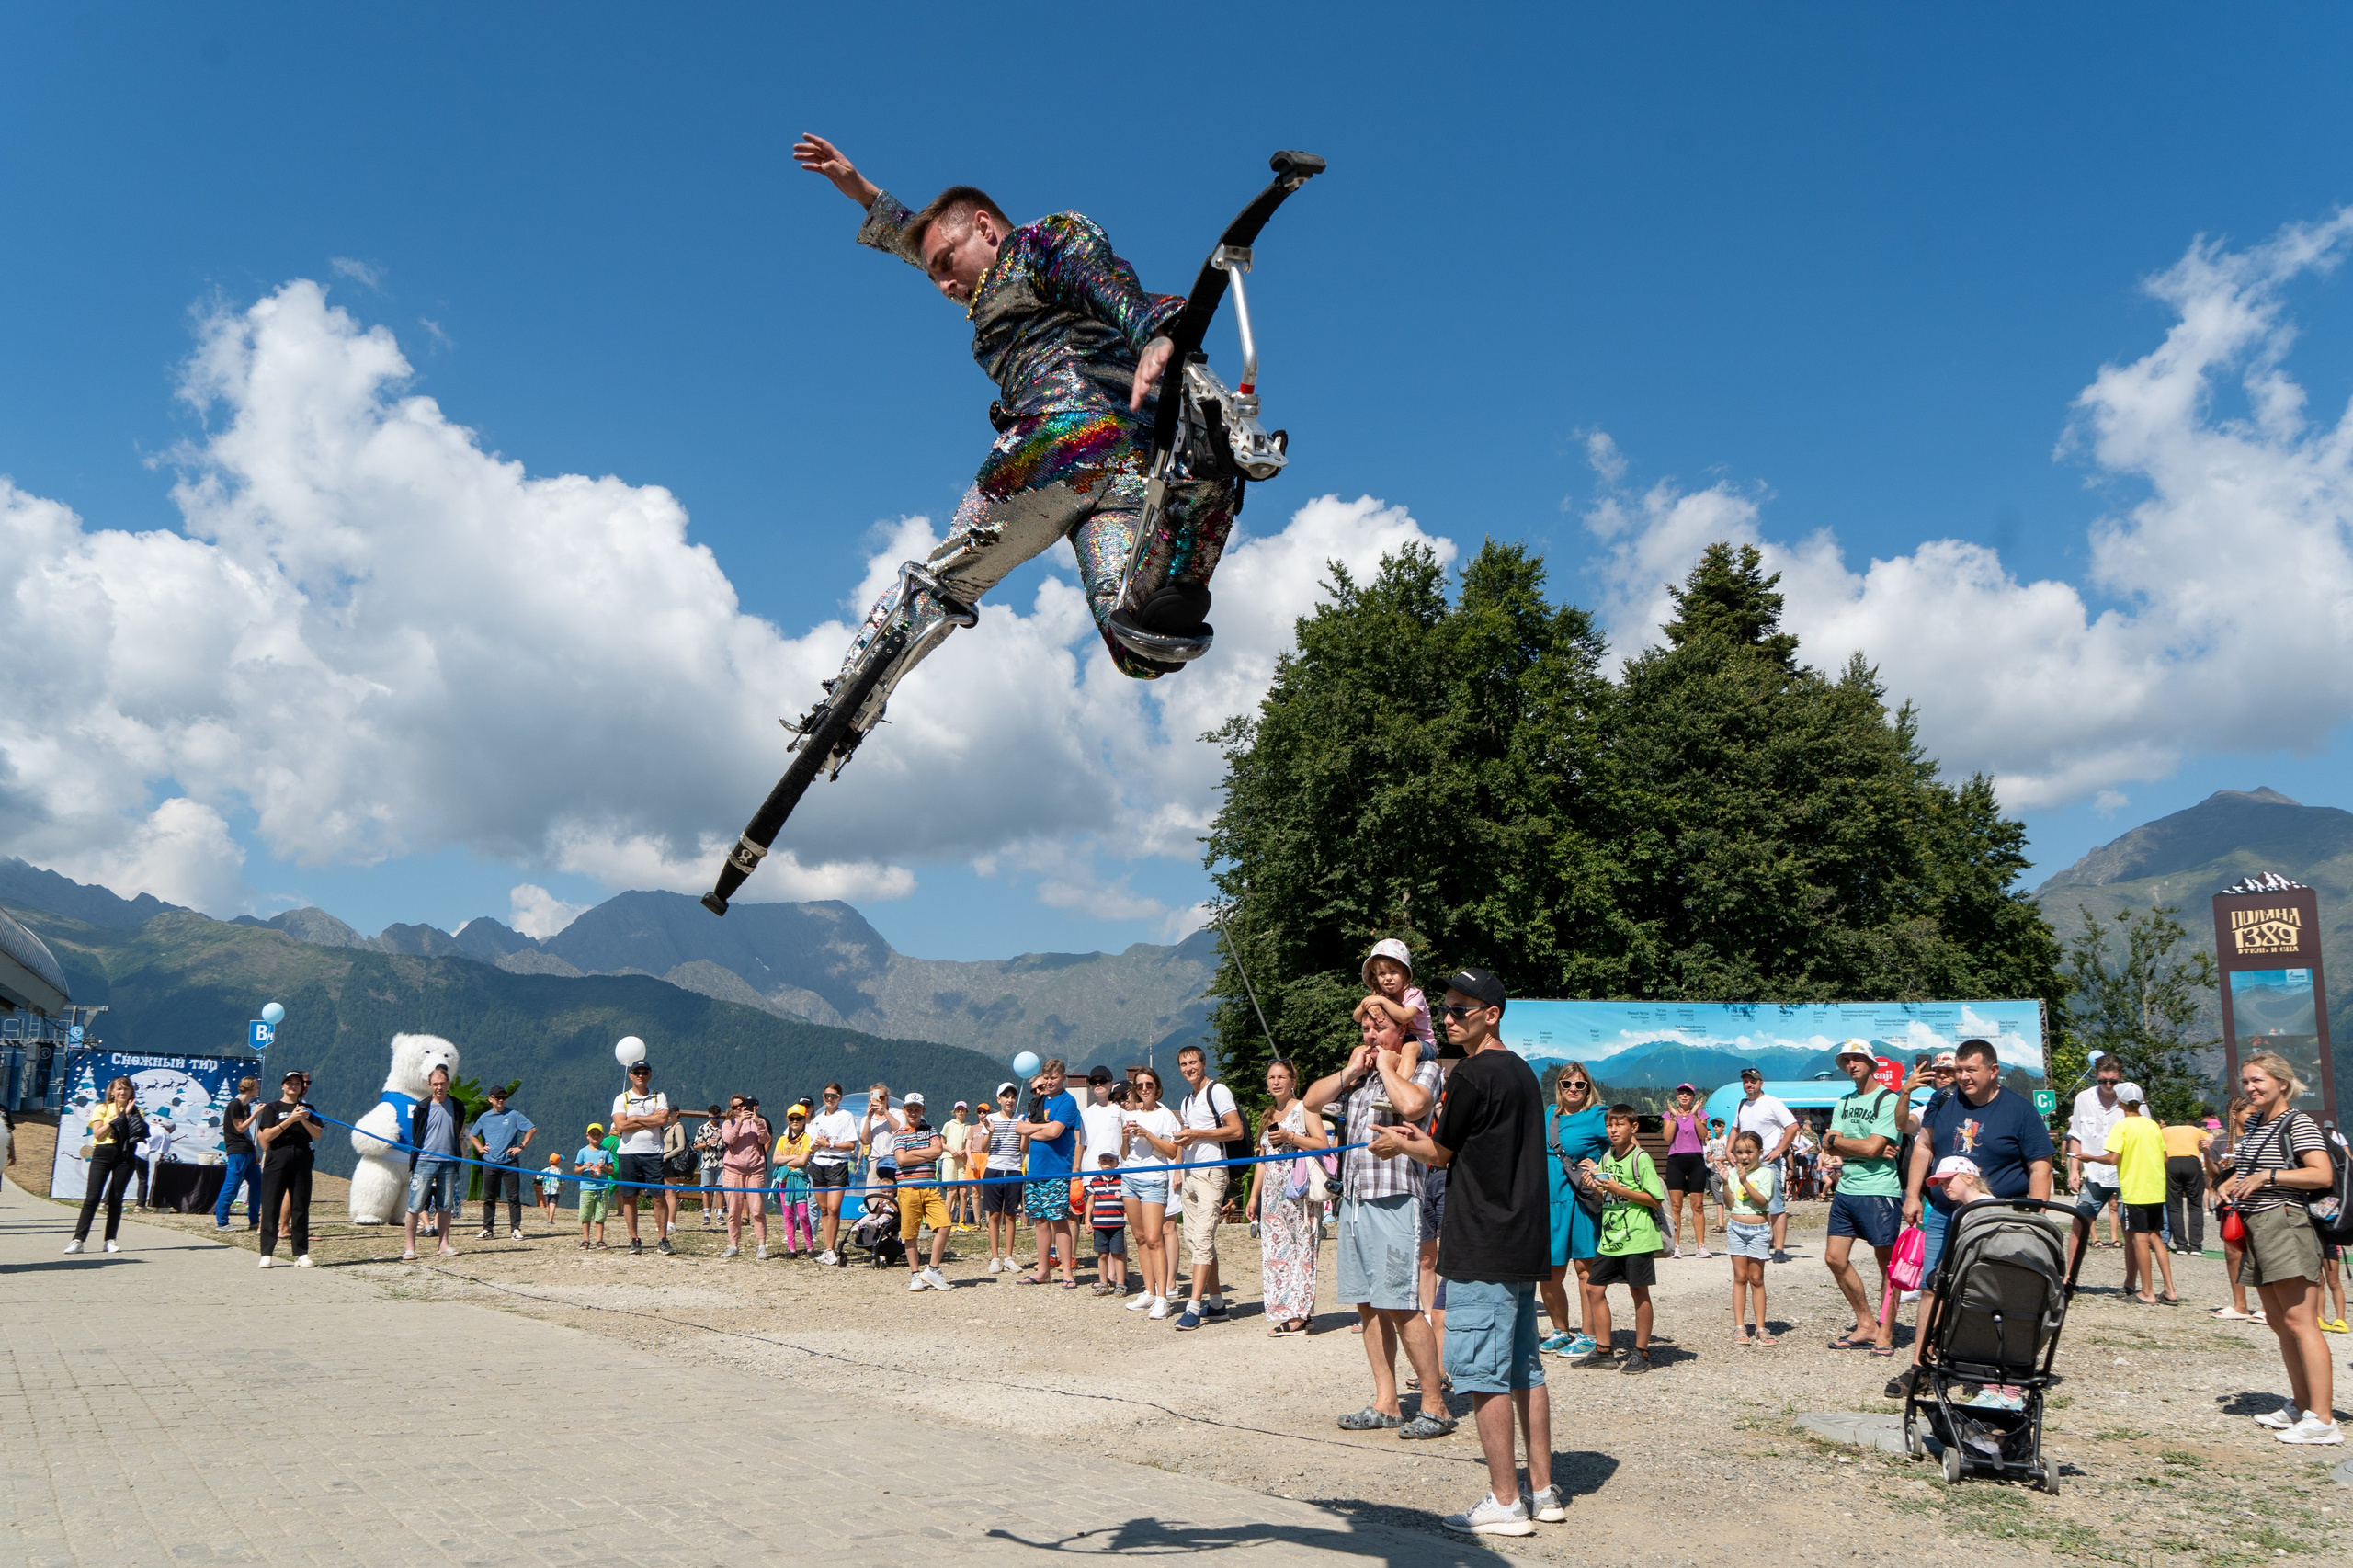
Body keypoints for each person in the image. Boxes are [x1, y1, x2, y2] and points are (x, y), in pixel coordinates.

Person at [790, 132, 1233, 701]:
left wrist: (1152, 333)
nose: (947, 285)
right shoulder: (995, 270)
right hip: (1135, 460)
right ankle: (1200, 500)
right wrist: (865, 194)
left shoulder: (1037, 245)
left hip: (1062, 435)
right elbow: (930, 243)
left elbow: (1095, 280)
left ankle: (838, 709)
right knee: (1137, 636)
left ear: (985, 227)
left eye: (948, 264)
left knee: (944, 579)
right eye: (935, 278)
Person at [1372, 969, 1557, 1537]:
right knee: (1525, 1365)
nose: (1447, 1018)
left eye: (1460, 1009)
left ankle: (1506, 1502)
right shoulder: (1523, 1072)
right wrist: (1419, 1142)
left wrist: (1396, 1142)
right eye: (1446, 1008)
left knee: (1483, 1375)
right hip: (1523, 1240)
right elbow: (1469, 1148)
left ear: (1491, 1014)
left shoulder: (1474, 1075)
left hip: (1483, 1242)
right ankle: (1543, 1491)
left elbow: (1441, 1151)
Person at [1307, 1007, 1449, 1432]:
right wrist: (1351, 1069)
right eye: (1365, 1029)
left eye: (1379, 1028)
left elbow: (1412, 1105)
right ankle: (1386, 1403)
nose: (1370, 1036)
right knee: (1367, 1305)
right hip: (1352, 1199)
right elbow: (1311, 1102)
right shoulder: (1360, 1074)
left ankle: (1435, 1405)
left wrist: (1388, 1066)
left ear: (1402, 1030)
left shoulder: (1422, 1068)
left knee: (1401, 1305)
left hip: (1395, 1198)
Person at [1890, 1036, 2053, 1399]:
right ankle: (1921, 1365)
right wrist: (1914, 1194)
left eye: (1971, 1070)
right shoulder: (1943, 1100)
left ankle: (1991, 1369)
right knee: (1933, 1286)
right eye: (1959, 1070)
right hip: (1946, 1214)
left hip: (1998, 1221)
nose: (1962, 1077)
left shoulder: (2020, 1111)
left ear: (1994, 1071)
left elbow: (2040, 1165)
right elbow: (1924, 1146)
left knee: (1990, 1292)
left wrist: (2037, 1218)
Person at [2214, 1051, 2337, 1444]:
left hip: (2285, 1223)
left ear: (2283, 1083)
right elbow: (2248, 1172)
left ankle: (2324, 1419)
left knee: (2302, 1322)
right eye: (2247, 1082)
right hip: (2256, 1226)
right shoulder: (2256, 1123)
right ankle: (2302, 1405)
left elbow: (2321, 1173)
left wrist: (2268, 1175)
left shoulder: (2297, 1122)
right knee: (2278, 1321)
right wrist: (2229, 1182)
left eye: (2258, 1081)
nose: (2251, 1088)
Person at [1822, 1041, 1902, 1354]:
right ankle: (1866, 1323)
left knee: (1887, 1266)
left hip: (1879, 1189)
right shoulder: (1844, 1101)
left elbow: (1869, 1148)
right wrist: (1837, 1141)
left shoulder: (1888, 1099)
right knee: (1834, 1258)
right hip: (1847, 1188)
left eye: (1858, 1059)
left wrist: (1842, 1142)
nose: (1852, 1064)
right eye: (1847, 1060)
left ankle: (1886, 1331)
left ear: (1871, 1063)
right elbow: (1829, 1144)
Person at [1575, 1103, 1665, 1374]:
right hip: (1611, 1236)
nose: (1613, 1130)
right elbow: (1608, 1197)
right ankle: (1604, 1350)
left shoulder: (1641, 1158)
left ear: (1633, 1127)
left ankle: (1642, 1351)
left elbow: (1655, 1199)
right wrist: (1598, 1188)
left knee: (1639, 1291)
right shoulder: (1607, 1158)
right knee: (1593, 1288)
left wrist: (1618, 1188)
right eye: (1609, 1125)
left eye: (1620, 1125)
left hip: (1637, 1236)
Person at [1172, 1043, 1245, 1330]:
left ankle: (1193, 1307)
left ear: (1203, 1063)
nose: (1188, 1068)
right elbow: (1189, 1138)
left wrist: (1197, 1133)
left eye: (1192, 1063)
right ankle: (1216, 1303)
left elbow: (1235, 1129)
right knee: (1195, 1240)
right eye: (1183, 1064)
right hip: (1190, 1174)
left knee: (1202, 1239)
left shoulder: (1218, 1091)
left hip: (1213, 1171)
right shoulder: (1188, 1100)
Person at [1249, 1057, 1324, 1334]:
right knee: (1277, 1254)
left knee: (1303, 1249)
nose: (1276, 1082)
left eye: (1282, 1077)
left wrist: (1291, 1137)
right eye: (1272, 1078)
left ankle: (1300, 1313)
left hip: (1299, 1192)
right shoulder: (1268, 1114)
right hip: (1272, 1196)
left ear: (1293, 1082)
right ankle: (1285, 1309)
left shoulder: (1306, 1108)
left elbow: (1321, 1144)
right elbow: (1262, 1159)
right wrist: (1254, 1197)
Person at [2083, 1085, 2175, 1305]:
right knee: (2156, 1237)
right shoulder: (2153, 1126)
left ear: (2120, 1102)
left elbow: (2113, 1158)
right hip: (2156, 1189)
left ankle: (2147, 1291)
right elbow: (2165, 1159)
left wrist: (2091, 1158)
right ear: (2140, 1101)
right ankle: (2170, 1290)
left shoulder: (2122, 1127)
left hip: (2136, 1190)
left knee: (2140, 1239)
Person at [1541, 1065, 1607, 1358]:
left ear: (1588, 1088)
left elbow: (1624, 1143)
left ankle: (1590, 1334)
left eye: (1580, 1085)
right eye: (1567, 1083)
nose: (1573, 1089)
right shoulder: (1550, 1114)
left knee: (1584, 1269)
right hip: (1549, 1199)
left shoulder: (1597, 1115)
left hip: (1581, 1199)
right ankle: (1560, 1330)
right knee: (1549, 1270)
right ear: (1558, 1085)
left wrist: (1601, 1167)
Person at [1120, 1066, 1182, 1314]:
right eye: (1139, 1086)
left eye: (1149, 1085)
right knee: (1140, 1238)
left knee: (1156, 1239)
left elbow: (1172, 1151)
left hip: (1154, 1179)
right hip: (1130, 1179)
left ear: (1157, 1087)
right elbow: (1123, 1154)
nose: (1144, 1089)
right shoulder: (1128, 1115)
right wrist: (1124, 1137)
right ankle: (1149, 1291)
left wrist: (1147, 1134)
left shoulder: (1165, 1115)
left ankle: (1163, 1297)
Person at [1016, 1061, 1081, 1288]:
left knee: (1059, 1220)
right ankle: (1043, 1271)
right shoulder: (1037, 1101)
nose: (1050, 1081)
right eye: (1047, 1077)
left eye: (1054, 1077)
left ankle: (1067, 1273)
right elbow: (1019, 1128)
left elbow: (1055, 1132)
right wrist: (1042, 1129)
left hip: (1056, 1170)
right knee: (1040, 1220)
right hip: (1035, 1170)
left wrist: (1036, 1129)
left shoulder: (1068, 1102)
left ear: (1063, 1077)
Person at [251, 1070, 321, 1268]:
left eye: (297, 1083)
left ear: (302, 1087)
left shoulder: (309, 1108)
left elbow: (317, 1134)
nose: (293, 1086)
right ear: (282, 1085)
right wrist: (290, 1120)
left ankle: (301, 1253)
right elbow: (266, 1136)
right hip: (277, 1157)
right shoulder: (272, 1108)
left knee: (300, 1206)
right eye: (289, 1083)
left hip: (301, 1158)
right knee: (271, 1203)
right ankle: (266, 1253)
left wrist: (304, 1119)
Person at [67, 1076, 144, 1254]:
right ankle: (78, 1240)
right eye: (118, 1089)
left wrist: (128, 1115)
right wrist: (117, 1118)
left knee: (116, 1198)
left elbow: (136, 1133)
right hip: (103, 1153)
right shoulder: (101, 1108)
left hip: (125, 1155)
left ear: (131, 1091)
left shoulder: (137, 1111)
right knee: (92, 1197)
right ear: (111, 1092)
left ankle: (110, 1240)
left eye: (126, 1089)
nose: (122, 1092)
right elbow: (98, 1134)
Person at [611, 1058, 680, 1257]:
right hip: (628, 1153)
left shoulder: (659, 1096)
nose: (641, 1076)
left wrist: (634, 1119)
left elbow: (662, 1119)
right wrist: (650, 1121)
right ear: (631, 1075)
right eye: (637, 1072)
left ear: (650, 1075)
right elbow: (621, 1126)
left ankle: (663, 1239)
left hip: (653, 1152)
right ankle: (634, 1239)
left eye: (645, 1072)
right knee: (629, 1197)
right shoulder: (621, 1098)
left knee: (659, 1197)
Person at [2066, 1054, 2130, 1266]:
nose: (2108, 1085)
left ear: (2121, 1077)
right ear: (2096, 1076)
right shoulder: (2083, 1099)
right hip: (2094, 1174)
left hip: (2125, 1174)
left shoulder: (2130, 1098)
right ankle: (2069, 1278)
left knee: (2130, 1229)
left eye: (2113, 1081)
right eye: (2103, 1081)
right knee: (2080, 1222)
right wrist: (2074, 1170)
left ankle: (2132, 1283)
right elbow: (2076, 1134)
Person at [1732, 1068, 1799, 1261]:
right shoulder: (1742, 1104)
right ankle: (1756, 1242)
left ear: (1761, 1083)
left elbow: (1792, 1126)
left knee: (1775, 1204)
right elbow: (1735, 1129)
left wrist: (1779, 1150)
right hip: (1746, 1161)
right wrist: (1730, 1150)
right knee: (1748, 1202)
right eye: (1745, 1081)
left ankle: (1779, 1249)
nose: (1749, 1084)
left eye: (1753, 1081)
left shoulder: (1772, 1102)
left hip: (1768, 1160)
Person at [402, 1065, 465, 1261]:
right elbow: (417, 1133)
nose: (439, 1087)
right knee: (415, 1204)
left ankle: (443, 1244)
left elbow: (459, 1130)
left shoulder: (457, 1105)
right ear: (430, 1085)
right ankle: (410, 1248)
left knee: (445, 1206)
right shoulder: (422, 1107)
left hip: (449, 1161)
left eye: (442, 1083)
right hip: (424, 1161)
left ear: (448, 1083)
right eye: (435, 1084)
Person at [1720, 1130, 1777, 1344]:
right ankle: (1740, 1326)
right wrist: (1726, 1182)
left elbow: (1762, 1201)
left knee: (1756, 1278)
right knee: (1740, 1277)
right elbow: (1730, 1203)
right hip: (1736, 1227)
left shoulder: (1766, 1173)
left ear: (1760, 1152)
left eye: (1749, 1152)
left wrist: (1745, 1182)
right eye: (1739, 1152)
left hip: (1758, 1230)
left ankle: (1761, 1327)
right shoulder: (1734, 1173)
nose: (1744, 1157)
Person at [892, 1091, 952, 1290]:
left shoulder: (931, 1130)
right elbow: (901, 1160)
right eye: (910, 1109)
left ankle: (933, 1269)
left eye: (917, 1109)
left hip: (930, 1187)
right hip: (907, 1188)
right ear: (904, 1110)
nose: (913, 1112)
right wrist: (925, 1155)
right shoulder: (899, 1133)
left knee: (944, 1225)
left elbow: (937, 1151)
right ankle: (915, 1275)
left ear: (923, 1111)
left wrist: (913, 1153)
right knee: (910, 1233)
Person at [2207, 1097, 2258, 1321]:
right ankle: (2240, 1305)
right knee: (2232, 1251)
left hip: (2255, 1198)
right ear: (2235, 1115)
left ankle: (2269, 1306)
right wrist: (2207, 1154)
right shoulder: (2221, 1143)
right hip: (2228, 1200)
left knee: (2259, 1252)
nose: (2254, 1118)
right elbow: (2214, 1174)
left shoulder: (2258, 1138)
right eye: (2250, 1113)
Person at [470, 1084, 536, 1241]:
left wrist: (521, 1146)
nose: (501, 1100)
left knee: (513, 1197)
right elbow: (472, 1134)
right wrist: (480, 1148)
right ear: (490, 1099)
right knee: (489, 1197)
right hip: (490, 1162)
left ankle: (516, 1228)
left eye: (503, 1097)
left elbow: (532, 1129)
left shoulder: (513, 1115)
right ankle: (488, 1229)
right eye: (498, 1097)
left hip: (509, 1162)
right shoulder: (485, 1118)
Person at [1353, 938, 1436, 1061]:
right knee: (1358, 1050)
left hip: (1422, 1045)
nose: (1388, 978)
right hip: (1397, 1042)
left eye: (1394, 972)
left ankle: (1401, 1079)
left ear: (1404, 974)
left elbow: (1405, 1017)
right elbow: (1356, 1017)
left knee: (1409, 1048)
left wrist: (1382, 1001)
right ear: (1376, 977)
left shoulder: (1414, 994)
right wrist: (1368, 1003)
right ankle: (1349, 1079)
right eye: (1382, 974)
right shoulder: (1380, 996)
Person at [807, 1083, 858, 1265]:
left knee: (834, 1208)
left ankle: (831, 1248)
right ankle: (827, 1248)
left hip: (837, 1163)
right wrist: (817, 1144)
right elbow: (811, 1146)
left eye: (834, 1096)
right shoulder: (818, 1118)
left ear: (840, 1098)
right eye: (827, 1096)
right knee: (823, 1209)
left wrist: (829, 1144)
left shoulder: (846, 1116)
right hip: (819, 1163)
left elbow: (851, 1144)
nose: (830, 1099)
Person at [977, 1081, 1025, 1274]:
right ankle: (995, 1257)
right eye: (1006, 1097)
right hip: (994, 1169)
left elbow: (1023, 1149)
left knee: (1011, 1214)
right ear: (999, 1099)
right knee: (994, 1214)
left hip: (1013, 1170)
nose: (1010, 1100)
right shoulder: (990, 1119)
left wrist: (1026, 1131)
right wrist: (989, 1132)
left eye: (1013, 1097)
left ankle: (1009, 1257)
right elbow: (983, 1149)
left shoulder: (1022, 1118)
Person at [720, 1096, 773, 1261]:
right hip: (732, 1169)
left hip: (755, 1169)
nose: (739, 1109)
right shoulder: (729, 1123)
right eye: (735, 1107)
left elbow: (764, 1140)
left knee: (757, 1209)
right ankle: (733, 1245)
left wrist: (757, 1122)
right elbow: (728, 1139)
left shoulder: (760, 1122)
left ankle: (762, 1246)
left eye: (741, 1105)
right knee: (734, 1209)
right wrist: (740, 1122)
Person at [1659, 1084, 1710, 1257]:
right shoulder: (1668, 1115)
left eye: (1688, 1093)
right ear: (1677, 1096)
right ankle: (1676, 1245)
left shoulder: (1701, 1114)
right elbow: (1667, 1138)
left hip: (1695, 1160)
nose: (1684, 1096)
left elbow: (1703, 1135)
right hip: (1676, 1160)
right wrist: (1674, 1117)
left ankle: (1701, 1246)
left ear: (1693, 1097)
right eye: (1681, 1093)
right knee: (1676, 1205)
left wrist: (1694, 1114)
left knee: (1698, 1205)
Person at [2161, 1110, 2211, 1256]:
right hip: (2192, 1161)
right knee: (2195, 1205)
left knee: (2175, 1207)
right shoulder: (2195, 1129)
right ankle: (2196, 1246)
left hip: (2171, 1162)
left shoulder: (2164, 1131)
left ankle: (2181, 1245)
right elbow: (2210, 1140)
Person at [214, 1076, 260, 1233]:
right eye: (256, 1086)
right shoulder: (235, 1105)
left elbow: (246, 1131)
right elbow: (240, 1128)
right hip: (237, 1149)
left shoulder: (245, 1106)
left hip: (247, 1150)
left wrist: (255, 1150)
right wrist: (256, 1114)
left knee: (257, 1183)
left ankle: (254, 1220)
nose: (258, 1089)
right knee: (232, 1184)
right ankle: (222, 1221)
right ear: (250, 1088)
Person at [774, 1104, 816, 1257]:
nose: (795, 1121)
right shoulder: (782, 1139)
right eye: (792, 1118)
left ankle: (809, 1246)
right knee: (788, 1215)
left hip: (799, 1180)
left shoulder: (806, 1138)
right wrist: (794, 1158)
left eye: (799, 1118)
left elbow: (803, 1161)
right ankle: (792, 1248)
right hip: (784, 1180)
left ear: (804, 1120)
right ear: (788, 1120)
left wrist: (784, 1161)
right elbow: (774, 1158)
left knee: (803, 1214)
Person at [1088, 1153, 1129, 1296]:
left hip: (1117, 1223)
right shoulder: (1095, 1181)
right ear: (1099, 1163)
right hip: (1100, 1224)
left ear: (1117, 1163)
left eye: (1111, 1160)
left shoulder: (1122, 1181)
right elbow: (1090, 1202)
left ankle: (1120, 1283)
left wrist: (1127, 1213)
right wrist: (1088, 1220)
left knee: (1118, 1254)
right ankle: (1103, 1283)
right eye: (1104, 1160)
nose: (1107, 1163)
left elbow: (1127, 1201)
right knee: (1102, 1255)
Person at [575, 1124, 612, 1249]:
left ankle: (599, 1239)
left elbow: (611, 1170)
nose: (595, 1137)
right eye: (593, 1134)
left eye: (598, 1134)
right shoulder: (583, 1152)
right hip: (587, 1187)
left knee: (600, 1214)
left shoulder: (605, 1152)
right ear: (587, 1136)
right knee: (585, 1215)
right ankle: (585, 1239)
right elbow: (576, 1170)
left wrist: (604, 1168)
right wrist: (584, 1167)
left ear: (602, 1136)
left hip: (602, 1188)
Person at [942, 1099, 976, 1231]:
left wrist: (965, 1151)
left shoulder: (969, 1127)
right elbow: (942, 1143)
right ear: (955, 1111)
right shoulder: (948, 1125)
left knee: (963, 1192)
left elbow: (971, 1145)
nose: (960, 1111)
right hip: (950, 1158)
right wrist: (951, 1149)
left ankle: (962, 1220)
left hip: (963, 1160)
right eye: (958, 1109)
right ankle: (946, 1221)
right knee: (951, 1192)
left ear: (966, 1112)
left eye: (962, 1109)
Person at [694, 1104, 727, 1229]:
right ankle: (706, 1213)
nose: (714, 1120)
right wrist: (706, 1144)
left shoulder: (723, 1128)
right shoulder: (703, 1128)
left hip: (720, 1161)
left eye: (716, 1118)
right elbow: (696, 1145)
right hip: (707, 1161)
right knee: (706, 1188)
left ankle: (719, 1214)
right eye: (712, 1118)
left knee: (720, 1188)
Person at [135, 1112, 175, 1210]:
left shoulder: (152, 1127)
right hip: (141, 1154)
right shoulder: (166, 1134)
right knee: (143, 1180)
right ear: (171, 1129)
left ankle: (105, 1202)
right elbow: (163, 1154)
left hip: (131, 1149)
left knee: (120, 1176)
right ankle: (140, 1205)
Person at [537, 1152, 564, 1227]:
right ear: (559, 1162)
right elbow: (562, 1180)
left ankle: (548, 1218)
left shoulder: (545, 1170)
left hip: (546, 1189)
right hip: (555, 1190)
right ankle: (550, 1220)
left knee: (548, 1204)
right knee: (553, 1204)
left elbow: (539, 1177)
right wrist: (561, 1186)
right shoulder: (560, 1171)